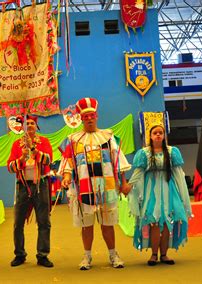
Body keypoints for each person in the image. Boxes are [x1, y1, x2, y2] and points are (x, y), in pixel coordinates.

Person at [59, 97, 131, 270]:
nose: (89, 119)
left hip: (106, 187)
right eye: (85, 117)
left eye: (92, 115)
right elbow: (68, 161)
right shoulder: (73, 140)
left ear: (96, 116)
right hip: (83, 188)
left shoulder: (108, 137)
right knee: (86, 224)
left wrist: (123, 182)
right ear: (81, 119)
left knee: (108, 223)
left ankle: (113, 255)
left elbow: (117, 160)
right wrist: (67, 177)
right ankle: (87, 257)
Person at [127, 124, 192, 266]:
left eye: (160, 133)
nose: (158, 135)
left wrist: (182, 194)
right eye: (155, 133)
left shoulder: (172, 152)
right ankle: (153, 255)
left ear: (164, 135)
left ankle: (164, 255)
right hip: (151, 192)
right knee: (154, 222)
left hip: (169, 190)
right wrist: (129, 186)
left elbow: (178, 174)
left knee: (168, 223)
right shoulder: (144, 153)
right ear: (150, 136)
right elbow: (138, 172)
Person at [7, 115, 54, 268]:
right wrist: (21, 159)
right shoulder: (16, 145)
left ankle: (43, 255)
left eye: (32, 123)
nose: (30, 125)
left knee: (44, 221)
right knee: (18, 222)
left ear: (36, 126)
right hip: (22, 186)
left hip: (41, 185)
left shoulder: (44, 142)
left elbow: (48, 161)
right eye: (27, 123)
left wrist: (33, 150)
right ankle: (19, 254)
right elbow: (10, 167)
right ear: (23, 127)